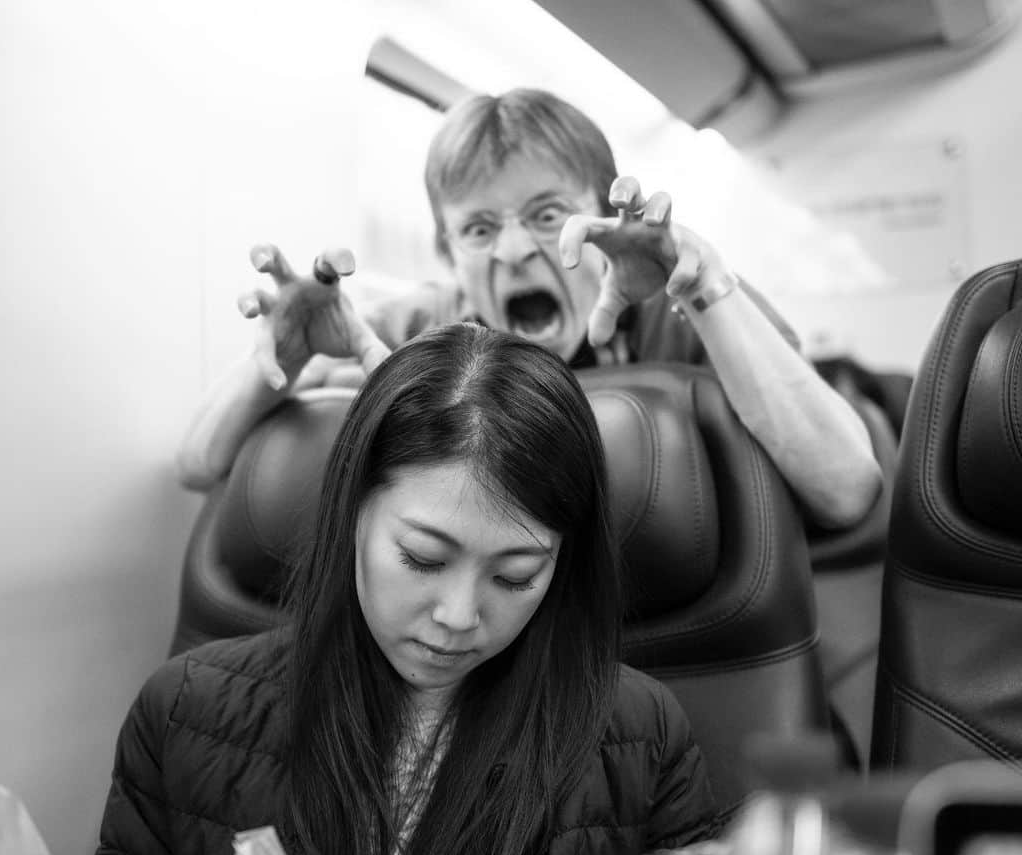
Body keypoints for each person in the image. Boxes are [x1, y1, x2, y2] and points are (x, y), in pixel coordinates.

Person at [83, 323, 719, 855]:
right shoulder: (185, 709)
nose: (458, 615)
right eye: (422, 558)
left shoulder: (639, 736)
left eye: (514, 575)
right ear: (353, 510)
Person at [176, 87, 882, 530]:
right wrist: (280, 360)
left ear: (605, 223)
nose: (513, 251)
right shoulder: (422, 329)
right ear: (449, 252)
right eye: (479, 230)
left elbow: (846, 490)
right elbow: (200, 464)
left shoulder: (689, 306)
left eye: (547, 216)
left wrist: (709, 291)